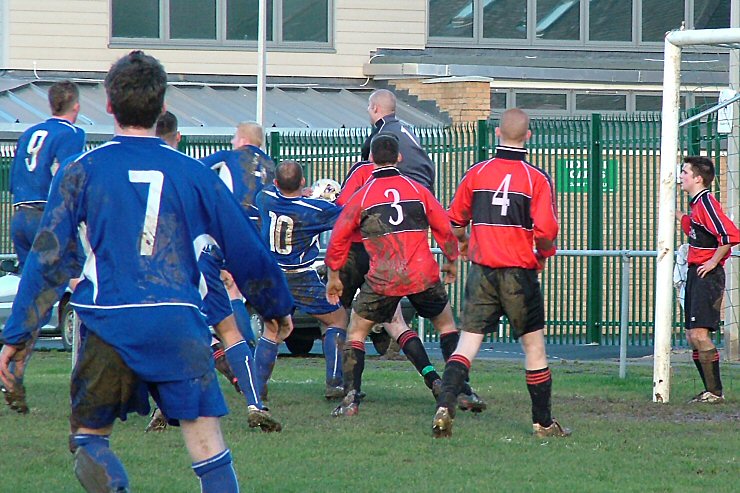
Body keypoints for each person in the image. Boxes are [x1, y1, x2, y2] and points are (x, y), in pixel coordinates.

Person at [0, 51, 294, 493]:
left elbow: (47, 259)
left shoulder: (83, 171)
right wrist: (276, 305)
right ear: (161, 108)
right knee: (207, 445)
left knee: (88, 439)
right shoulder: (193, 172)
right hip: (177, 318)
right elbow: (245, 247)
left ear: (110, 105)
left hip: (107, 319)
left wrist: (18, 334)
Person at [431, 108, 569, 439]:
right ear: (529, 137)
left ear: (496, 134)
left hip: (482, 272)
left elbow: (454, 222)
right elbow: (547, 231)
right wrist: (544, 254)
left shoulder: (476, 173)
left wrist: (463, 242)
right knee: (533, 348)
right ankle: (543, 423)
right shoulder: (536, 178)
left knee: (467, 345)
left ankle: (445, 406)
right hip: (519, 275)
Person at [145, 112, 279, 434]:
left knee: (177, 327)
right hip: (239, 240)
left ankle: (166, 403)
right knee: (229, 319)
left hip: (175, 253)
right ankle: (254, 402)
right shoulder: (270, 166)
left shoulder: (214, 161)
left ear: (241, 140)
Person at [325, 133, 460, 417]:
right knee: (446, 324)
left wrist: (334, 275)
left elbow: (338, 237)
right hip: (422, 273)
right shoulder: (419, 190)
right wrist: (451, 260)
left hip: (384, 277)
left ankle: (350, 399)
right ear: (399, 157)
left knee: (357, 331)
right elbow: (445, 229)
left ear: (372, 159)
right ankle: (461, 388)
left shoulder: (362, 196)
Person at [256, 160, 348, 400]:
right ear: (304, 182)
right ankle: (335, 383)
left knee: (272, 329)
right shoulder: (315, 210)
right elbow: (344, 216)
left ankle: (257, 386)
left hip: (273, 275)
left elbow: (277, 195)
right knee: (337, 319)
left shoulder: (265, 198)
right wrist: (319, 199)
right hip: (301, 276)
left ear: (276, 183)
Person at [675, 156, 739, 403]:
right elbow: (696, 230)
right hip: (694, 273)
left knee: (700, 334)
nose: (681, 176)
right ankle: (709, 391)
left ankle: (715, 392)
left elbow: (729, 235)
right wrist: (676, 214)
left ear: (697, 178)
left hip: (707, 276)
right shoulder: (696, 206)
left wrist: (712, 262)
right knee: (692, 335)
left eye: (684, 172)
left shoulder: (707, 203)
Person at [10, 80, 86, 272]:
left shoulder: (28, 133)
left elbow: (14, 178)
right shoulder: (72, 133)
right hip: (46, 216)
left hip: (20, 216)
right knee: (74, 272)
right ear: (76, 106)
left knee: (32, 283)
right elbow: (68, 174)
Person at [200, 121, 276, 227]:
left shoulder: (228, 157)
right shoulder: (270, 164)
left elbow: (195, 167)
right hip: (262, 224)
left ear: (243, 141)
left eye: (235, 137)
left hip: (234, 221)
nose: (232, 141)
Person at [361, 89, 435, 191]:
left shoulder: (381, 135)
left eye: (369, 106)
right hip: (425, 189)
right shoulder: (406, 130)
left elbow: (367, 169)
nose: (367, 110)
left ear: (374, 108)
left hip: (403, 191)